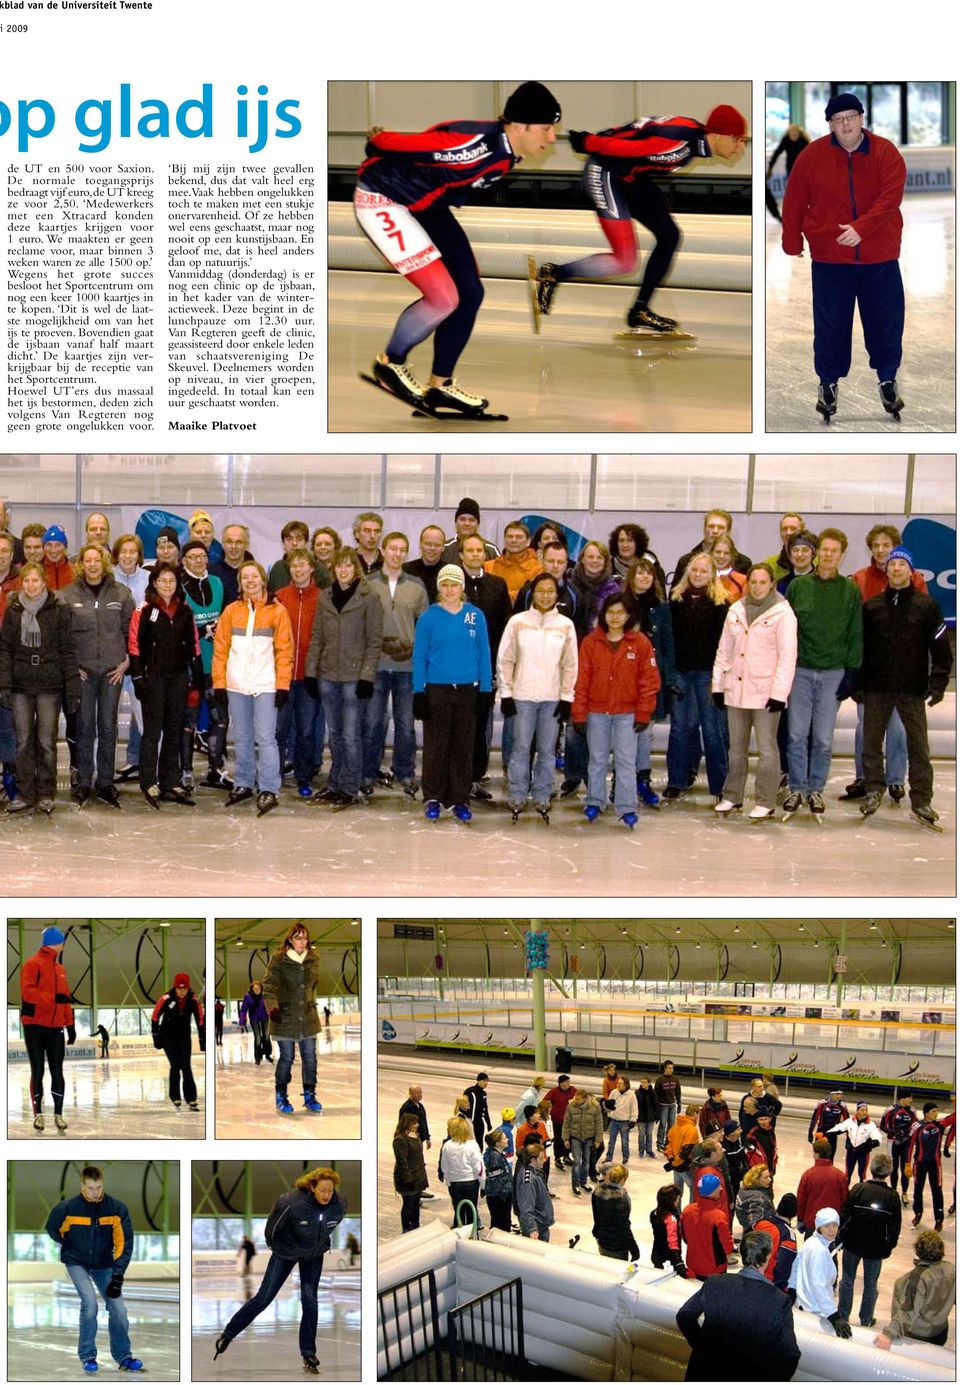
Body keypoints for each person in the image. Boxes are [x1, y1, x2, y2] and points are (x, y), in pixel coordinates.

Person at [356, 81, 561, 413]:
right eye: (547, 128)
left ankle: (440, 386)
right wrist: (379, 140)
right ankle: (390, 363)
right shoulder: (471, 147)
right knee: (443, 298)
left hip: (426, 205)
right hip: (385, 199)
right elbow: (416, 143)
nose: (552, 138)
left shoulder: (509, 150)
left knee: (469, 292)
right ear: (520, 126)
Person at [534, 105, 747, 334]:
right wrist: (590, 142)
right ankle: (553, 273)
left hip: (630, 177)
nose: (741, 145)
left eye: (743, 139)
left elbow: (636, 132)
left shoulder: (691, 139)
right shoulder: (680, 141)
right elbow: (628, 146)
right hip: (605, 171)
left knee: (669, 236)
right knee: (625, 261)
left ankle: (640, 310)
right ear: (715, 134)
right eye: (737, 138)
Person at [781, 92, 908, 421]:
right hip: (830, 258)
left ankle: (888, 379)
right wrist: (791, 239)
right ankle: (828, 383)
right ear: (830, 125)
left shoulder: (885, 152)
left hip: (879, 257)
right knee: (831, 324)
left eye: (850, 117)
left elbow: (890, 197)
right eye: (838, 120)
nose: (845, 124)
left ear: (862, 118)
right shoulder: (812, 156)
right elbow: (794, 198)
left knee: (885, 321)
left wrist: (861, 228)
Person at [214, 1166, 346, 1375]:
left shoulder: (339, 1205)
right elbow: (272, 1229)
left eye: (330, 1190)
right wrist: (281, 1247)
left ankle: (308, 1353)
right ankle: (228, 1334)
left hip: (313, 1255)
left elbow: (331, 1224)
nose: (327, 1195)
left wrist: (319, 1244)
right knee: (263, 1298)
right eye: (322, 1190)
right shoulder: (291, 1203)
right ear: (312, 1187)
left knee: (310, 1302)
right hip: (285, 1254)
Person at [858, 546, 952, 828]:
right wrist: (858, 682)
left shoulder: (927, 606)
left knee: (918, 746)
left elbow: (941, 648)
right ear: (886, 571)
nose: (896, 569)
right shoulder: (872, 607)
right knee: (871, 742)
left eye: (902, 565)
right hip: (876, 688)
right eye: (892, 565)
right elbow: (860, 649)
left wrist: (937, 682)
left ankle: (922, 798)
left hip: (912, 690)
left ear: (911, 572)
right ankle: (874, 789)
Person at [843, 523, 928, 802]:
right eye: (876, 546)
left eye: (886, 545)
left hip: (903, 670)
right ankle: (864, 778)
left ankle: (894, 780)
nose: (881, 551)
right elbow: (853, 625)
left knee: (899, 728)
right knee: (865, 726)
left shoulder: (914, 579)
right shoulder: (859, 578)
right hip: (871, 669)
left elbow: (922, 622)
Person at [784, 530, 862, 816]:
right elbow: (787, 630)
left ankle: (815, 789)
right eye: (824, 550)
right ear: (817, 553)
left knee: (823, 739)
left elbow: (855, 631)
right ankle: (796, 788)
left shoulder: (850, 590)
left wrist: (852, 670)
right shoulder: (799, 586)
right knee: (796, 734)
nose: (828, 555)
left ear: (842, 554)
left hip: (833, 673)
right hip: (801, 671)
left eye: (834, 551)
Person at [711, 563, 797, 820]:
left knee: (767, 749)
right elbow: (724, 650)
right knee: (736, 748)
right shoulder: (735, 610)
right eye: (754, 582)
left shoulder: (783, 614)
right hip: (736, 690)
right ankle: (732, 796)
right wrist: (718, 685)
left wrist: (780, 694)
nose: (758, 587)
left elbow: (787, 656)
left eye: (763, 582)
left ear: (771, 584)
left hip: (765, 693)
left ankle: (766, 800)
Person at [212, 559, 294, 817]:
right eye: (244, 578)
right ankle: (244, 782)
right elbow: (220, 650)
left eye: (254, 577)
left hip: (265, 684)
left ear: (263, 580)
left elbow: (285, 651)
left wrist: (282, 685)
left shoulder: (277, 612)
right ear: (240, 583)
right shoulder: (231, 611)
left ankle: (269, 787)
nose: (250, 581)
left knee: (266, 738)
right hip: (237, 684)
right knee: (242, 736)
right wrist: (219, 684)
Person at [303, 546, 383, 808]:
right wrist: (311, 673)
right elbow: (317, 638)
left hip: (353, 676)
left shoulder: (368, 597)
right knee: (335, 734)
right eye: (340, 565)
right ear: (333, 568)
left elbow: (374, 641)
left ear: (356, 568)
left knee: (351, 735)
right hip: (328, 674)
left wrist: (367, 677)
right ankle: (335, 782)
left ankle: (350, 786)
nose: (344, 570)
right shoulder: (325, 597)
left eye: (349, 565)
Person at [412, 564, 492, 822]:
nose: (449, 590)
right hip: (437, 690)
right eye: (445, 585)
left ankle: (460, 798)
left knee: (463, 746)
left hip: (468, 691)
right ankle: (433, 796)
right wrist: (419, 691)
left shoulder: (475, 616)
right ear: (439, 588)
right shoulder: (428, 617)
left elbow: (484, 654)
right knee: (436, 746)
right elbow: (419, 656)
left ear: (462, 587)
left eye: (454, 585)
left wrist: (486, 689)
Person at [573, 592, 660, 828]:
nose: (615, 617)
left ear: (628, 615)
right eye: (611, 612)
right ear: (603, 615)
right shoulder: (591, 642)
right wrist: (579, 712)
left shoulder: (640, 642)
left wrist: (644, 712)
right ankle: (594, 801)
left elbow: (649, 681)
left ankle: (627, 806)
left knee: (625, 760)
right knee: (597, 759)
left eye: (620, 612)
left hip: (627, 713)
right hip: (597, 711)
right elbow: (582, 679)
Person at [46, 1165, 142, 1373]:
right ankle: (88, 1356)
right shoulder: (67, 1209)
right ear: (82, 1186)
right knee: (90, 1304)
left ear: (102, 1184)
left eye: (98, 1187)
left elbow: (124, 1244)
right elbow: (52, 1228)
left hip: (104, 1264)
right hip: (76, 1262)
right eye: (90, 1188)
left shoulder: (116, 1209)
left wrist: (117, 1276)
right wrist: (70, 1244)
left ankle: (124, 1356)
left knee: (119, 1310)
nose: (95, 1192)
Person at [0, 562, 79, 815]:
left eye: (36, 581)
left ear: (44, 582)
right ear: (21, 583)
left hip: (49, 684)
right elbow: (5, 651)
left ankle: (46, 792)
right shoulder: (13, 610)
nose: (31, 586)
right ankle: (25, 793)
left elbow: (67, 649)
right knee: (23, 741)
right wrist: (4, 684)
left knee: (46, 741)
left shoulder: (58, 609)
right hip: (21, 685)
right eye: (27, 581)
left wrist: (73, 685)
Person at [498, 572, 578, 820]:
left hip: (551, 697)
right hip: (522, 696)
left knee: (547, 749)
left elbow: (570, 664)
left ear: (557, 595)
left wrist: (566, 697)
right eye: (541, 590)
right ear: (533, 593)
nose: (545, 595)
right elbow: (505, 658)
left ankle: (543, 793)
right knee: (520, 747)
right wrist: (507, 693)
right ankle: (518, 792)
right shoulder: (517, 622)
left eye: (550, 591)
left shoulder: (565, 625)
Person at [676, 1230, 800, 1382]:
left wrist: (702, 1346)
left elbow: (684, 1316)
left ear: (742, 1254)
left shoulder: (715, 1283)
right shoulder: (779, 1301)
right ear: (768, 1256)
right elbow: (790, 1354)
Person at [64, 543, 134, 809]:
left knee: (107, 726)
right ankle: (84, 782)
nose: (92, 564)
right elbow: (63, 635)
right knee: (84, 727)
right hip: (83, 673)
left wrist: (126, 662)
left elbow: (130, 632)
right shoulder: (68, 594)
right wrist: (73, 666)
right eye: (88, 560)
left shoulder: (121, 593)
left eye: (97, 560)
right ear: (81, 563)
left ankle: (106, 782)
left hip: (111, 673)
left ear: (104, 562)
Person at [128, 562, 203, 809]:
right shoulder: (145, 609)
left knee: (173, 730)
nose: (167, 585)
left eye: (171, 581)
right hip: (154, 679)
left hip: (178, 678)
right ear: (154, 583)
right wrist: (138, 677)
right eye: (162, 581)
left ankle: (169, 780)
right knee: (152, 732)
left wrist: (198, 673)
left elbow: (194, 643)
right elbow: (135, 646)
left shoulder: (184, 610)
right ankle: (148, 780)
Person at [364, 533, 428, 796]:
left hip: (406, 667)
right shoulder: (367, 584)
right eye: (393, 549)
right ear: (384, 550)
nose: (397, 554)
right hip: (376, 665)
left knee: (405, 723)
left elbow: (424, 626)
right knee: (372, 722)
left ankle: (405, 771)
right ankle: (368, 771)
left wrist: (412, 649)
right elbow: (362, 622)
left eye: (403, 550)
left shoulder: (416, 585)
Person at [664, 554, 729, 801]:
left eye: (704, 570)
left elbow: (725, 645)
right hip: (681, 674)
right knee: (680, 728)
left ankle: (720, 785)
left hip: (708, 675)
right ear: (687, 572)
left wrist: (718, 677)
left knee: (713, 732)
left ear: (712, 574)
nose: (698, 574)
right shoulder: (675, 601)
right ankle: (676, 781)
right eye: (695, 570)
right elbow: (670, 642)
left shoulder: (721, 604)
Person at [622, 558, 675, 808]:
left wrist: (669, 679)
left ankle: (643, 778)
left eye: (649, 574)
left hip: (650, 679)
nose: (644, 578)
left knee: (645, 733)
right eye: (640, 573)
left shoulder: (662, 608)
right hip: (623, 679)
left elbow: (668, 645)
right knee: (622, 733)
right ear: (631, 576)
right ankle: (621, 782)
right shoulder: (619, 606)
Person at [180, 539, 231, 792]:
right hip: (190, 664)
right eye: (193, 557)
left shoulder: (217, 583)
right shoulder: (178, 586)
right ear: (184, 561)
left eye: (202, 556)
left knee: (220, 718)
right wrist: (202, 629)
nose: (198, 561)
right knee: (188, 721)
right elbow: (178, 625)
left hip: (215, 662)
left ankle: (216, 768)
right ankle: (186, 771)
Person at [262, 923, 324, 1117]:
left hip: (307, 1017)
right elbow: (269, 986)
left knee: (310, 1058)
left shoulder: (313, 958)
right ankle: (281, 1095)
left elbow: (312, 985)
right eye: (298, 938)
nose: (302, 942)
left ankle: (310, 1095)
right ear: (290, 939)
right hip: (284, 1016)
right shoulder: (278, 959)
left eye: (304, 938)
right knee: (287, 1057)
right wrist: (272, 1008)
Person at [275, 548, 323, 798]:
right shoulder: (280, 597)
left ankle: (304, 777)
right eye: (294, 566)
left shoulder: (323, 598)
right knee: (279, 730)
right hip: (282, 677)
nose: (298, 569)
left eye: (303, 565)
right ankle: (274, 776)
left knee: (306, 730)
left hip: (309, 678)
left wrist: (317, 672)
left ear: (311, 568)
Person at [837, 1149, 901, 1329]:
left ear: (872, 1169)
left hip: (853, 1243)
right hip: (876, 1248)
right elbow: (894, 1227)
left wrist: (842, 1235)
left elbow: (845, 1215)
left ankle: (843, 1314)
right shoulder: (892, 1196)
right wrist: (889, 1246)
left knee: (847, 1279)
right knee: (870, 1283)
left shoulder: (859, 1189)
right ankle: (866, 1318)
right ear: (888, 1172)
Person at [19, 924, 75, 1131]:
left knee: (57, 1071)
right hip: (34, 1025)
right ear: (57, 943)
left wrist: (70, 1024)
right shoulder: (32, 964)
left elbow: (65, 1000)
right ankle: (38, 1115)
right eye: (62, 942)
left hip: (56, 1027)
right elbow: (28, 994)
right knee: (38, 1070)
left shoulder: (60, 969)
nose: (63, 945)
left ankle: (58, 1114)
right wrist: (53, 998)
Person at [875, 1229, 956, 1350]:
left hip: (918, 1335)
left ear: (918, 1250)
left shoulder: (917, 1278)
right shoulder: (952, 1269)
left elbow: (908, 1311)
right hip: (940, 1332)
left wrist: (889, 1333)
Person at [111, 534, 149, 783]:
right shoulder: (107, 578)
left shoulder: (149, 579)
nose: (127, 556)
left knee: (144, 717)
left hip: (140, 659)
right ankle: (103, 770)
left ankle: (145, 766)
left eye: (132, 551)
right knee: (106, 718)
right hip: (113, 659)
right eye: (123, 551)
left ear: (139, 554)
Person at [789, 1206, 851, 1336]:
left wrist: (792, 1290)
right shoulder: (820, 1251)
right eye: (826, 1226)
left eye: (834, 1225)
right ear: (819, 1227)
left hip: (804, 1305)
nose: (831, 1230)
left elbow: (795, 1268)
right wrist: (834, 1316)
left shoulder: (810, 1242)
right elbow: (819, 1285)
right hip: (816, 1311)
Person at [151, 971, 204, 1112]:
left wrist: (202, 1039)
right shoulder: (166, 999)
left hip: (184, 1037)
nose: (182, 992)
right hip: (167, 1036)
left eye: (184, 989)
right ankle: (175, 1096)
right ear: (174, 988)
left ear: (188, 988)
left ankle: (191, 1097)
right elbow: (155, 1016)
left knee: (186, 1066)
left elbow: (200, 1020)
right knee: (175, 1065)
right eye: (179, 989)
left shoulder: (193, 1000)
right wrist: (156, 1037)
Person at [672, 511, 752, 589]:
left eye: (720, 527)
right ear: (704, 529)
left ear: (728, 531)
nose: (715, 531)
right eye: (711, 526)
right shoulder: (686, 561)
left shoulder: (743, 563)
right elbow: (674, 597)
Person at [681, 1174, 734, 1280]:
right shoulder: (718, 1217)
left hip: (693, 1264)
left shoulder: (687, 1211)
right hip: (714, 1268)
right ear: (711, 1191)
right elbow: (727, 1246)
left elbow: (684, 1237)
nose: (721, 1188)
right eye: (718, 1186)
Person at [796, 1137, 849, 1239]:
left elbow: (801, 1200)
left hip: (812, 1222)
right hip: (831, 1224)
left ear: (817, 1154)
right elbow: (845, 1201)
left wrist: (800, 1220)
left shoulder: (808, 1175)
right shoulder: (840, 1175)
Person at [907, 1101, 947, 1230]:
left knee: (937, 1191)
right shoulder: (917, 1126)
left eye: (937, 1111)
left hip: (935, 1164)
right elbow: (910, 1145)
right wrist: (907, 1163)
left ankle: (939, 1219)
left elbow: (954, 1117)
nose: (936, 1114)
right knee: (918, 1190)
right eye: (933, 1111)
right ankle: (918, 1213)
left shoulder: (940, 1125)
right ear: (926, 1113)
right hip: (920, 1163)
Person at [439, 1115, 484, 1228]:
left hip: (455, 1183)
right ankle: (470, 1234)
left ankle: (458, 1230)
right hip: (470, 1183)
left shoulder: (447, 1146)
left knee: (458, 1209)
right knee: (470, 1211)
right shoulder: (472, 1145)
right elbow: (479, 1168)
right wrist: (483, 1184)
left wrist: (449, 1182)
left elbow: (445, 1167)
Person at [592, 1163, 640, 1261]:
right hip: (617, 1245)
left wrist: (597, 1233)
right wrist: (634, 1249)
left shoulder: (597, 1191)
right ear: (622, 1180)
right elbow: (624, 1227)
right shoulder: (622, 1199)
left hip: (602, 1239)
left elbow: (596, 1215)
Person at [753, 1192, 799, 1292]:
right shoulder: (788, 1235)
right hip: (769, 1284)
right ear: (794, 1214)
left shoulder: (760, 1223)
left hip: (751, 1275)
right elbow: (783, 1265)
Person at [562, 1088, 603, 1196]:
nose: (576, 1100)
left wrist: (598, 1140)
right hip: (575, 1137)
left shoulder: (595, 1107)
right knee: (577, 1161)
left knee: (586, 1161)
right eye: (575, 1098)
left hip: (589, 1138)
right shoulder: (571, 1106)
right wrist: (566, 1138)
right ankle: (575, 1184)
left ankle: (583, 1182)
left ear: (585, 1099)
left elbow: (599, 1124)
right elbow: (566, 1122)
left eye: (578, 1099)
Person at [766, 124, 810, 220]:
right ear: (788, 134)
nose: (793, 136)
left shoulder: (804, 141)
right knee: (792, 190)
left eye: (795, 134)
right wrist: (770, 166)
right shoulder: (786, 140)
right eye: (791, 134)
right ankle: (793, 212)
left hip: (803, 168)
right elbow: (777, 153)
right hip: (791, 168)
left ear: (799, 134)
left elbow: (811, 156)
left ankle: (804, 211)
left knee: (803, 190)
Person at [880, 1093, 917, 1205]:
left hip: (906, 1143)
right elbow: (882, 1126)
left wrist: (906, 1134)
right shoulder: (890, 1110)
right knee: (894, 1167)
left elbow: (915, 1126)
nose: (911, 1100)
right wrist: (893, 1132)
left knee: (905, 1168)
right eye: (909, 1097)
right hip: (893, 1142)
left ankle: (904, 1192)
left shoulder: (912, 1111)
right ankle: (894, 1191)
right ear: (902, 1098)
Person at [394, 1111, 428, 1232]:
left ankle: (415, 1225)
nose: (417, 1125)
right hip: (407, 1179)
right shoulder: (400, 1140)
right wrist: (408, 1179)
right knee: (409, 1204)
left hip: (418, 1176)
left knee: (415, 1204)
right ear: (407, 1124)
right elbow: (402, 1161)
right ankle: (406, 1228)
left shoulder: (415, 1136)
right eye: (414, 1123)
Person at [833, 1102, 883, 1184]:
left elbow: (877, 1138)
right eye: (862, 1110)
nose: (864, 1112)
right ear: (857, 1111)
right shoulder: (849, 1122)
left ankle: (861, 1193)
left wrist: (869, 1145)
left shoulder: (871, 1124)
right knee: (848, 1173)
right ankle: (845, 1193)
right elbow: (837, 1129)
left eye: (866, 1110)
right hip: (851, 1152)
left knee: (862, 1175)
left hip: (863, 1154)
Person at [441, 497, 500, 564]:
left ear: (478, 524)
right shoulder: (444, 549)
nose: (467, 523)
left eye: (472, 520)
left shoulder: (491, 550)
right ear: (456, 522)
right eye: (462, 519)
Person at [515, 1142, 553, 1241]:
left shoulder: (535, 1174)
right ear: (533, 1160)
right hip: (537, 1228)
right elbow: (526, 1207)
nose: (544, 1160)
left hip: (540, 1224)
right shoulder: (529, 1181)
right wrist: (533, 1228)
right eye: (541, 1158)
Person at [665, 1105, 702, 1205]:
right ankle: (690, 1213)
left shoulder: (675, 1126)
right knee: (694, 1190)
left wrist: (671, 1160)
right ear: (695, 1114)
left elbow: (667, 1143)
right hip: (685, 1166)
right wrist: (676, 1163)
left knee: (677, 1192)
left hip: (676, 1165)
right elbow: (687, 1151)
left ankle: (677, 1214)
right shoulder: (691, 1130)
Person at [209, 523, 253, 606]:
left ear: (247, 545)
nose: (233, 546)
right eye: (229, 542)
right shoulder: (210, 571)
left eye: (239, 542)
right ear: (222, 544)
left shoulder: (256, 572)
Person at [403, 524, 447, 603]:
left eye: (437, 545)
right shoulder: (405, 570)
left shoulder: (450, 571)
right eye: (428, 544)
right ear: (420, 545)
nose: (432, 548)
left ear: (443, 547)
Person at [650, 1184, 687, 1275]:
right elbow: (672, 1241)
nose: (679, 1201)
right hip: (668, 1260)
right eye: (678, 1199)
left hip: (657, 1253)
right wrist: (678, 1261)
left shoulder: (654, 1213)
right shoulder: (671, 1219)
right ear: (672, 1201)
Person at [267, 519, 311, 595]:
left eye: (299, 539)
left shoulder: (318, 568)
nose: (294, 543)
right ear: (283, 544)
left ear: (306, 543)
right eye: (289, 539)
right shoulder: (277, 568)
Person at [483, 1129, 514, 1232]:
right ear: (498, 1143)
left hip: (501, 1196)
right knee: (501, 1225)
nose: (507, 1140)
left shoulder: (498, 1154)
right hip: (499, 1198)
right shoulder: (495, 1157)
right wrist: (505, 1194)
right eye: (505, 1138)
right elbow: (496, 1180)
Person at [604, 1075, 638, 1164]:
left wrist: (633, 1120)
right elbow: (608, 1106)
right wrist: (608, 1109)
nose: (618, 1085)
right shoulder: (614, 1092)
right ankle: (608, 1157)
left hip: (625, 1122)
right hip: (614, 1120)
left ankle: (625, 1157)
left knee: (625, 1142)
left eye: (620, 1084)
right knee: (611, 1141)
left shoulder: (631, 1095)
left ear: (625, 1085)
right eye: (617, 1083)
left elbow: (634, 1108)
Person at [544, 1074, 576, 1169]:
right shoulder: (554, 1092)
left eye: (569, 1082)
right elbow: (545, 1102)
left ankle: (566, 1156)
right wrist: (551, 1111)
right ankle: (558, 1157)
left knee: (569, 1139)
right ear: (561, 1083)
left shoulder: (573, 1090)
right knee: (558, 1140)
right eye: (566, 1082)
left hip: (570, 1121)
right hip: (558, 1120)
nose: (568, 1084)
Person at [808, 1089, 850, 1158]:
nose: (840, 1096)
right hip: (821, 1133)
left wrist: (848, 1139)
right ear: (833, 1094)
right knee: (819, 1156)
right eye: (838, 1094)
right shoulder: (822, 1103)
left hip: (832, 1135)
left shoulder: (842, 1106)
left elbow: (848, 1123)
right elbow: (814, 1118)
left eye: (841, 1094)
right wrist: (810, 1132)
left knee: (830, 1157)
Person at [238, 980, 272, 1065]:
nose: (257, 990)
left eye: (259, 988)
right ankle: (258, 1057)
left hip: (264, 1017)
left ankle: (267, 1054)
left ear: (261, 988)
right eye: (255, 989)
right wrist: (242, 1020)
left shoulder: (264, 996)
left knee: (266, 1036)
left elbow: (270, 1005)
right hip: (254, 1019)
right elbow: (243, 1009)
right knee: (258, 1038)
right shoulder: (248, 996)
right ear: (252, 989)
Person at [709, 536, 747, 602]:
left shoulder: (743, 581)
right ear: (711, 553)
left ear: (732, 556)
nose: (721, 556)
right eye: (718, 552)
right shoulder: (701, 578)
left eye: (726, 553)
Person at [655, 1060, 682, 1149]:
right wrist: (657, 1108)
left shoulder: (675, 1079)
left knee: (671, 1125)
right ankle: (660, 1143)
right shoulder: (659, 1080)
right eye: (669, 1068)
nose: (671, 1070)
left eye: (672, 1068)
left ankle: (668, 1142)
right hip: (663, 1105)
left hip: (672, 1105)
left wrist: (679, 1103)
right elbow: (656, 1094)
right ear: (665, 1068)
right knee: (662, 1124)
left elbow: (678, 1092)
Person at [463, 1072, 492, 1149]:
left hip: (479, 1123)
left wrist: (488, 1123)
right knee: (470, 1142)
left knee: (479, 1143)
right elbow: (462, 1105)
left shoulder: (484, 1094)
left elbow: (485, 1109)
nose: (486, 1083)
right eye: (484, 1081)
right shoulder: (470, 1091)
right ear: (478, 1081)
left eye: (487, 1081)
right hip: (470, 1122)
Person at [636, 1076, 659, 1159]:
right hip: (641, 1118)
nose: (642, 1083)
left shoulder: (653, 1093)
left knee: (649, 1135)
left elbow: (656, 1104)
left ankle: (649, 1150)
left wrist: (657, 1116)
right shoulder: (637, 1093)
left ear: (649, 1083)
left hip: (650, 1118)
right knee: (641, 1135)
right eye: (641, 1082)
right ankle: (641, 1150)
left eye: (644, 1082)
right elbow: (635, 1106)